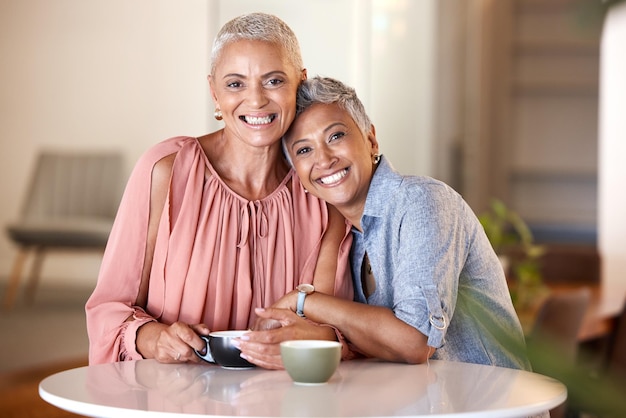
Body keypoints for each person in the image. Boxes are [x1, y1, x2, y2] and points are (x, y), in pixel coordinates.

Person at [85, 15, 353, 365]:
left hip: (281, 402)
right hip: (177, 399)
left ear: (299, 84)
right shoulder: (166, 171)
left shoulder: (321, 189)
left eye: (273, 81)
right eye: (235, 84)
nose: (256, 101)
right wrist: (152, 338)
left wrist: (316, 336)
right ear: (214, 91)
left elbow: (343, 325)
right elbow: (108, 307)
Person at [236, 76, 531, 371]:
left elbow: (415, 342)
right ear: (297, 175)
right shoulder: (350, 236)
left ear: (370, 139)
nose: (324, 159)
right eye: (304, 150)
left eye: (336, 136)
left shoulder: (421, 202)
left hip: (492, 406)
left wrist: (304, 301)